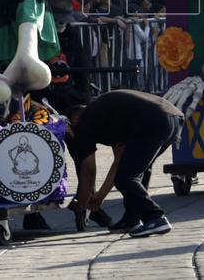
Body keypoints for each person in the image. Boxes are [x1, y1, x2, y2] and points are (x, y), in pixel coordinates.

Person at [67, 89, 184, 237]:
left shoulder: (85, 122)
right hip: (174, 118)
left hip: (153, 121)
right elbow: (119, 162)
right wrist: (100, 196)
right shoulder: (108, 115)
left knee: (126, 177)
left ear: (74, 120)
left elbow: (88, 171)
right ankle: (131, 219)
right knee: (138, 170)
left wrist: (81, 204)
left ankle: (154, 217)